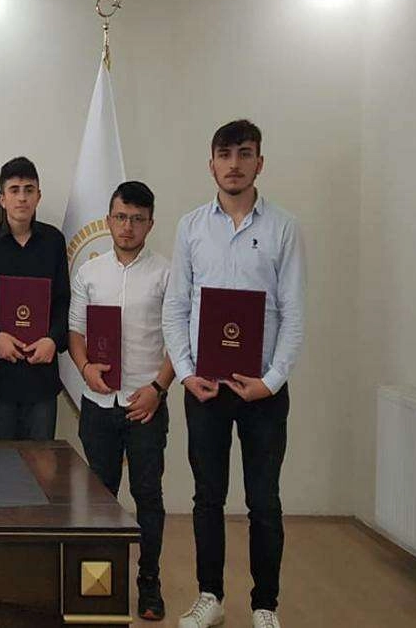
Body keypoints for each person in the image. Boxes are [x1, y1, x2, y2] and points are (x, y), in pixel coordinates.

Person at [164, 120, 305, 628]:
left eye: (244, 154)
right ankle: (211, 597)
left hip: (262, 391)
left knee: (264, 501)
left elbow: (293, 313)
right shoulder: (190, 227)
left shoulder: (283, 227)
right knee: (207, 498)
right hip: (205, 388)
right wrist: (185, 373)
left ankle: (265, 606)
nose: (234, 164)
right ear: (211, 164)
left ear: (259, 163)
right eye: (225, 155)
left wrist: (272, 380)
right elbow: (176, 307)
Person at [69, 181, 174, 621]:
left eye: (137, 219)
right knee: (100, 498)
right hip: (98, 402)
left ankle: (149, 583)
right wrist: (85, 368)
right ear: (108, 219)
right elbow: (75, 333)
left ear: (150, 223)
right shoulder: (89, 272)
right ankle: (101, 583)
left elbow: (179, 342)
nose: (128, 226)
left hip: (145, 403)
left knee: (148, 496)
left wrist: (158, 389)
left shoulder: (167, 274)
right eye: (120, 217)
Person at [0, 157, 70, 440]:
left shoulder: (54, 241)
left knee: (41, 461)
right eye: (14, 190)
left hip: (41, 378)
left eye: (29, 190)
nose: (22, 198)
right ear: (2, 199)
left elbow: (63, 301)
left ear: (38, 196)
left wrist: (53, 340)